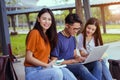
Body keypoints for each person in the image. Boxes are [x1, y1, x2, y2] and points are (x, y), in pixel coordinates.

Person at [24, 8, 77, 80]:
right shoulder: (34, 33)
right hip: (33, 72)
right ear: (39, 19)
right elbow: (28, 58)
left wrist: (50, 61)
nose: (47, 22)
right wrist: (46, 65)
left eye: (49, 19)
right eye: (44, 19)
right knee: (57, 73)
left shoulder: (46, 36)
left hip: (43, 69)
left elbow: (40, 55)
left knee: (64, 70)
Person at [51, 13, 102, 80]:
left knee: (97, 63)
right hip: (65, 66)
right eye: (74, 29)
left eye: (78, 29)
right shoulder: (57, 39)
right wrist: (73, 61)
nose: (76, 31)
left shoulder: (72, 38)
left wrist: (81, 58)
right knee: (80, 67)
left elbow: (75, 54)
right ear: (67, 25)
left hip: (75, 63)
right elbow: (54, 61)